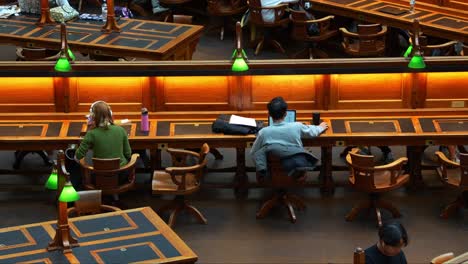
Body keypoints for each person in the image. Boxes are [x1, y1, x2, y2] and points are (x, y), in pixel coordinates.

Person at [250, 96, 328, 178]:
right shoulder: (297, 126)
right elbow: (312, 132)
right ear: (286, 114)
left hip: (271, 175)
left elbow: (253, 153)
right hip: (296, 173)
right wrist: (321, 127)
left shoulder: (263, 132)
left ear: (269, 114)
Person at [75, 101, 132, 168]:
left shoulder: (91, 133)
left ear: (93, 116)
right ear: (110, 114)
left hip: (98, 173)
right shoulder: (121, 130)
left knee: (87, 157)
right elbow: (128, 154)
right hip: (120, 172)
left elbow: (78, 156)